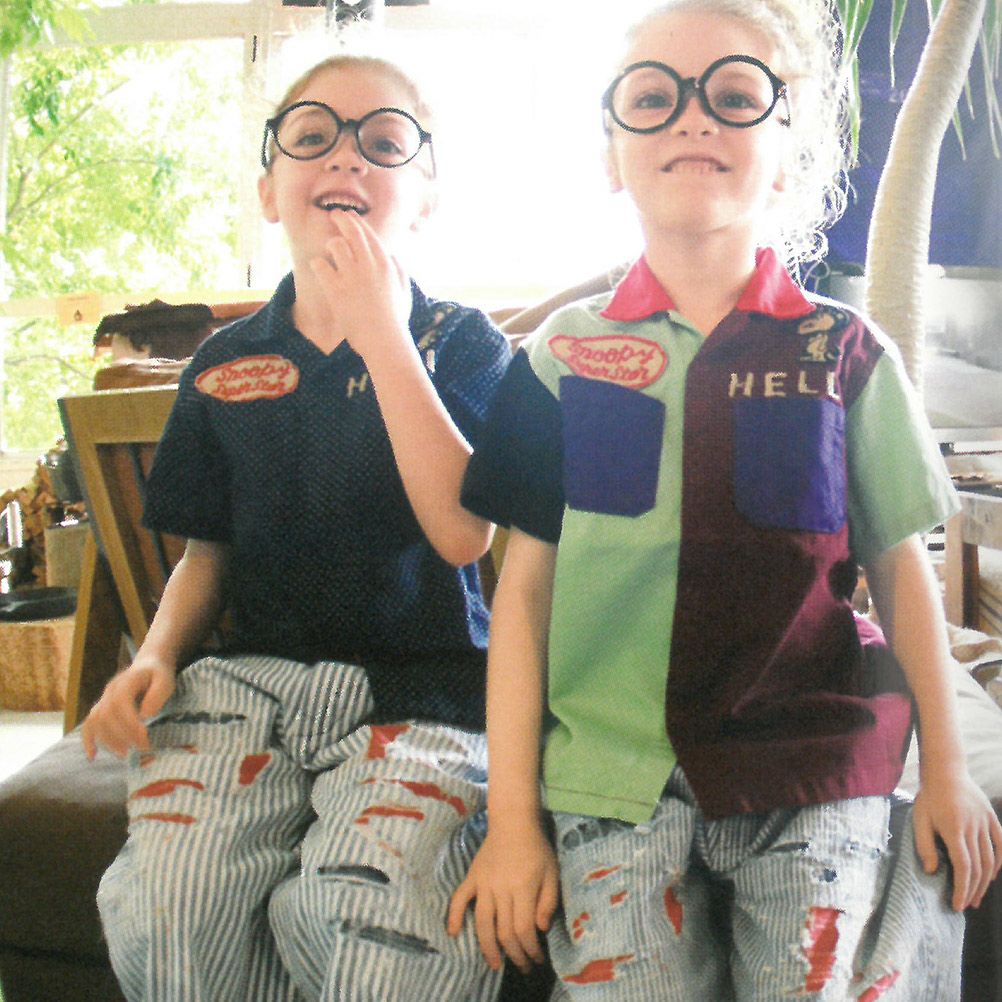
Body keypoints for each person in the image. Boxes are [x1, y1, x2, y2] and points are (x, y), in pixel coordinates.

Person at [447, 1, 1002, 999]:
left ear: (787, 157)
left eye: (735, 96)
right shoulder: (559, 357)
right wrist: (514, 819)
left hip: (809, 765)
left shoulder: (846, 353)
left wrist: (951, 772)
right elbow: (521, 601)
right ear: (611, 154)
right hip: (610, 779)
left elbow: (900, 571)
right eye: (652, 97)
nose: (693, 116)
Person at [81, 48, 511, 1002]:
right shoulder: (222, 363)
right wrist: (155, 655)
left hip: (420, 694)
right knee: (171, 909)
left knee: (383, 930)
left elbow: (462, 535)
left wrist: (381, 331)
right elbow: (206, 552)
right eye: (312, 137)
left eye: (384, 143)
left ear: (426, 196)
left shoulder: (462, 342)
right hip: (248, 686)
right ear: (269, 191)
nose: (346, 156)